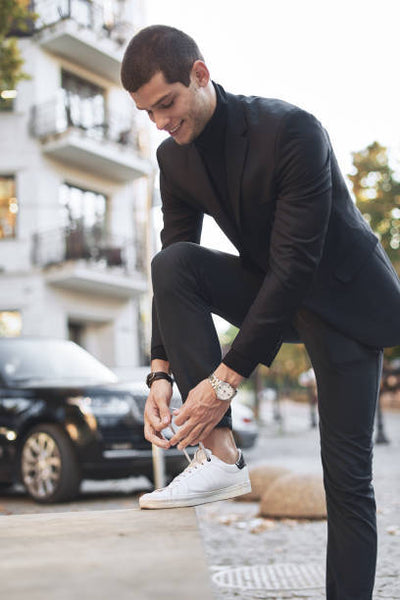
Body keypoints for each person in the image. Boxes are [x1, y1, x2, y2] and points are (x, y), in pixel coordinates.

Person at [121, 25, 400, 599]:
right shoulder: (173, 160)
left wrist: (223, 382)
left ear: (199, 73)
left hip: (343, 302)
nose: (160, 123)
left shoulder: (291, 130)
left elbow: (296, 266)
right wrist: (160, 372)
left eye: (166, 104)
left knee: (346, 482)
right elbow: (174, 256)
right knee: (172, 263)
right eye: (147, 112)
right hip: (271, 289)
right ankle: (219, 454)